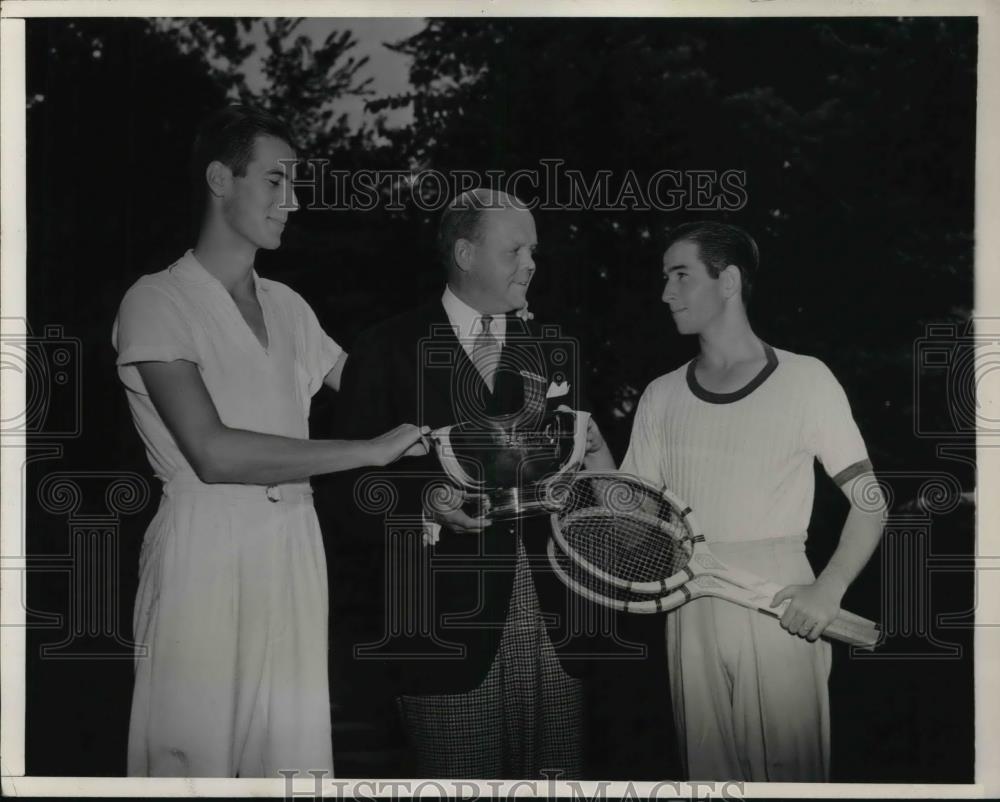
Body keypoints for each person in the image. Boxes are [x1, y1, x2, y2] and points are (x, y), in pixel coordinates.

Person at [112, 105, 428, 778]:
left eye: (297, 184)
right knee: (190, 766)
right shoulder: (155, 300)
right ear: (220, 179)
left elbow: (394, 405)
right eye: (276, 181)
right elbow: (214, 452)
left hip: (293, 546)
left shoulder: (289, 305)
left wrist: (479, 384)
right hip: (203, 547)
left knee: (290, 768)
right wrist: (367, 451)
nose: (293, 200)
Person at [335, 189, 615, 779]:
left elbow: (584, 476)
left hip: (560, 630)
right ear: (465, 253)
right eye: (515, 249)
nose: (531, 263)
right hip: (442, 639)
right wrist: (430, 503)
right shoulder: (385, 348)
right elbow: (348, 497)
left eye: (534, 250)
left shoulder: (554, 351)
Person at [619, 221, 886, 781]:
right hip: (690, 603)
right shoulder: (660, 395)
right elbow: (632, 526)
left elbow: (870, 501)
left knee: (792, 782)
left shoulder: (806, 379)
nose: (666, 292)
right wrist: (592, 465)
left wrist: (829, 588)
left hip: (783, 602)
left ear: (729, 281)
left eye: (681, 275)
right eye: (664, 277)